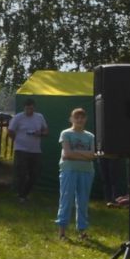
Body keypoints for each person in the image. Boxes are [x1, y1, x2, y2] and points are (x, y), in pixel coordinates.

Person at [54, 107, 96, 240]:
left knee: (83, 201)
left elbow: (92, 156)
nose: (79, 120)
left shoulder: (90, 136)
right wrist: (85, 155)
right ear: (71, 119)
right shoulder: (65, 133)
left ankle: (82, 231)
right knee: (66, 199)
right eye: (76, 117)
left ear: (86, 119)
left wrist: (75, 154)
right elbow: (67, 154)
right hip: (69, 170)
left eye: (82, 117)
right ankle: (62, 232)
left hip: (86, 171)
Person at [7, 99, 47, 202]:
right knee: (22, 173)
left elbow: (46, 130)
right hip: (21, 149)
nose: (30, 110)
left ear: (34, 108)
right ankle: (21, 195)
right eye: (28, 108)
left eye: (31, 108)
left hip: (35, 150)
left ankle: (25, 193)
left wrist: (41, 133)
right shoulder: (18, 117)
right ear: (24, 108)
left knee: (35, 173)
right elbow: (10, 131)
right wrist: (17, 140)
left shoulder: (39, 117)